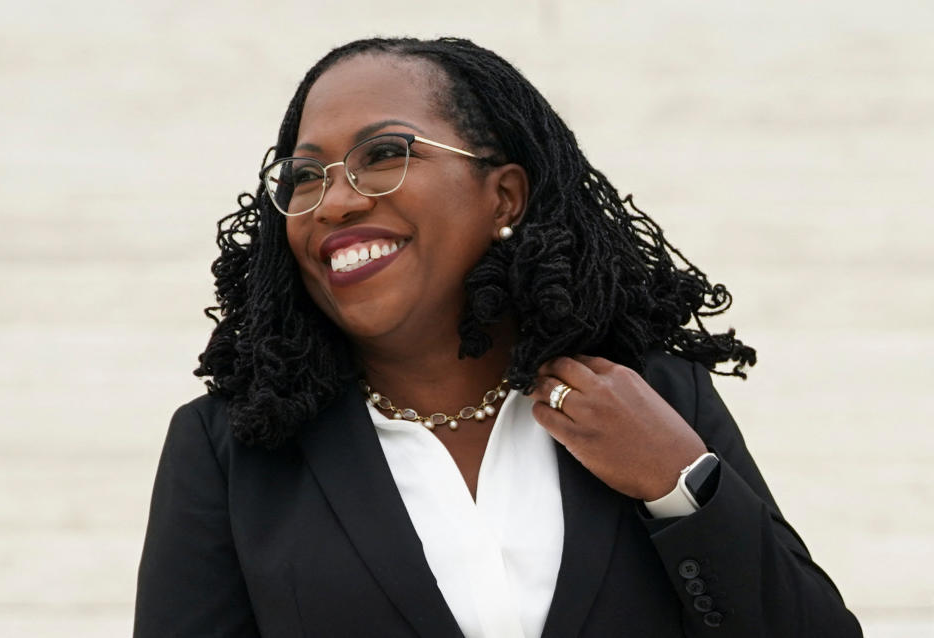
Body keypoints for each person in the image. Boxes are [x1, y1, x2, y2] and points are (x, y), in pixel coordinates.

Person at [134, 37, 862, 637]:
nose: (337, 200)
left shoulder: (656, 401)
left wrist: (680, 489)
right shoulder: (233, 453)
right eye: (305, 175)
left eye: (384, 154)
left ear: (503, 196)